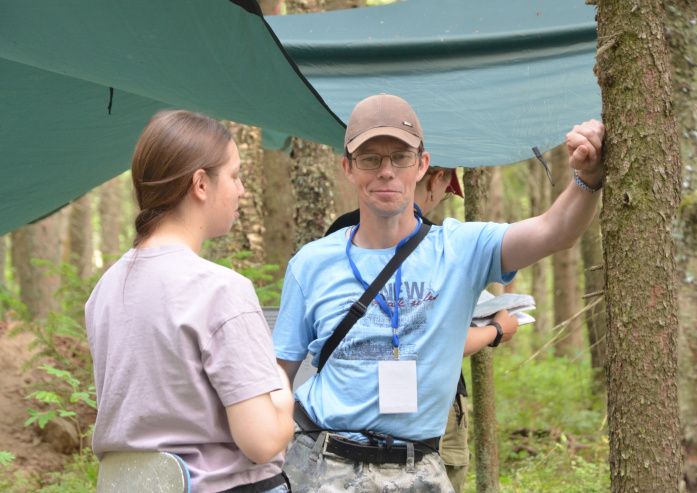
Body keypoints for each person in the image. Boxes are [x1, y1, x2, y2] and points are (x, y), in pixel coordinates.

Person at [272, 93, 604, 492]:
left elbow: (554, 232)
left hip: (420, 468)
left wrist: (588, 179)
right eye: (370, 158)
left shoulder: (461, 248)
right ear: (348, 168)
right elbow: (277, 377)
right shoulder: (311, 263)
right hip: (323, 463)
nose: (386, 171)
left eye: (400, 157)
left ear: (423, 165)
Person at [85, 110, 295, 493]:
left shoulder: (105, 290)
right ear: (201, 184)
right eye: (234, 175)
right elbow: (262, 441)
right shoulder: (220, 289)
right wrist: (281, 393)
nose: (241, 189)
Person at [325, 167, 519, 492]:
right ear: (433, 177)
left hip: (350, 406)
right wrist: (496, 330)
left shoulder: (341, 231)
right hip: (429, 411)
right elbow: (441, 341)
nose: (441, 198)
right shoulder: (436, 246)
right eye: (445, 188)